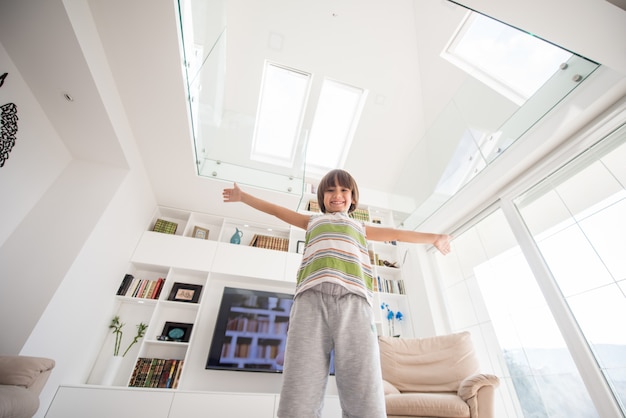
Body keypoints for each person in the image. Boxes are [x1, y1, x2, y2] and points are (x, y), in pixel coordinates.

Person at [222, 169, 452, 418]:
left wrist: (435, 237)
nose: (337, 195)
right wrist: (243, 197)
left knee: (363, 386)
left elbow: (397, 234)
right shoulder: (312, 221)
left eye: (344, 190)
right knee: (299, 389)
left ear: (353, 198)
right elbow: (277, 210)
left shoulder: (361, 227)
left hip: (354, 303)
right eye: (330, 190)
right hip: (310, 302)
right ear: (321, 197)